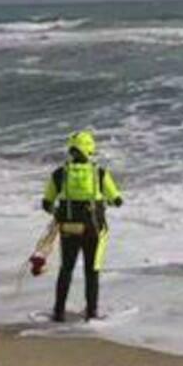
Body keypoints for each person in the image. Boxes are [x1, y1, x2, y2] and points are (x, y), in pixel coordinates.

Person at [41, 129, 123, 322]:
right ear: (89, 150)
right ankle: (91, 314)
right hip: (93, 228)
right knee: (91, 271)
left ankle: (58, 313)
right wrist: (107, 202)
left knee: (66, 269)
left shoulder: (59, 174)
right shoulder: (100, 173)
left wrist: (59, 214)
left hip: (69, 228)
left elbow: (46, 204)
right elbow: (117, 200)